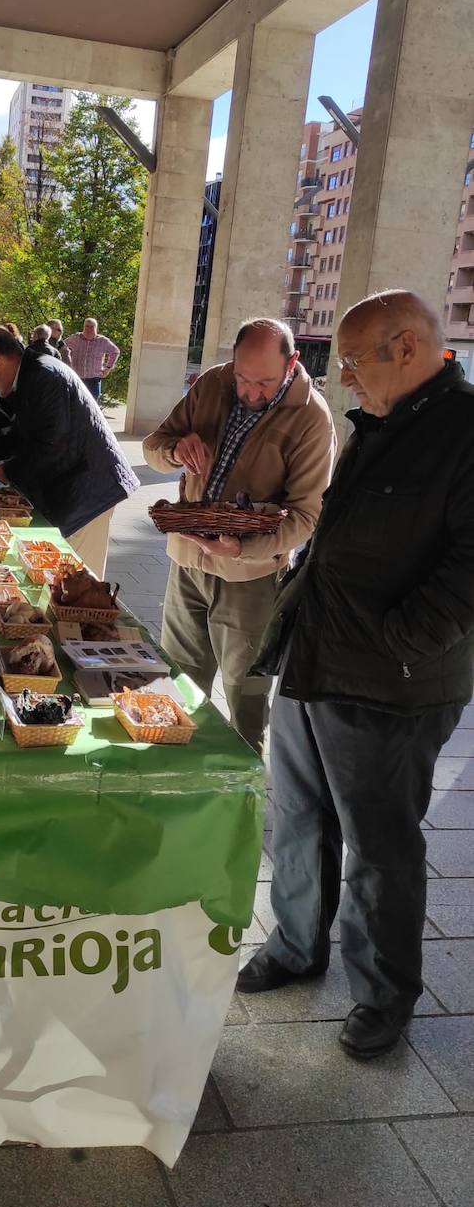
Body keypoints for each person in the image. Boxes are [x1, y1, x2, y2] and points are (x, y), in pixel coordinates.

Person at [237, 292, 474, 1060]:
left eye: (350, 361)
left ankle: (381, 992)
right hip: (315, 659)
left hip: (389, 683)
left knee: (378, 845)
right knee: (297, 817)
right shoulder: (383, 423)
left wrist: (401, 640)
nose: (342, 378)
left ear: (405, 348)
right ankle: (296, 945)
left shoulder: (462, 428)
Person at [143, 319, 335, 752]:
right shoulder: (213, 382)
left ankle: (240, 793)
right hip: (188, 561)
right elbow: (154, 446)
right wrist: (175, 449)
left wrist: (243, 547)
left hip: (250, 578)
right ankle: (177, 774)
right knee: (178, 678)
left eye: (264, 382)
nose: (249, 392)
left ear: (292, 363)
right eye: (242, 378)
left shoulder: (312, 419)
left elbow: (306, 517)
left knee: (244, 695)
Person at [0, 326, 139, 577]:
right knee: (60, 578)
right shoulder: (28, 373)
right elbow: (17, 434)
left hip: (90, 492)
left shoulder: (43, 376)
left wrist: (7, 470)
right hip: (74, 484)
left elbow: (51, 443)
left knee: (78, 581)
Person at [64, 318, 119, 398]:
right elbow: (61, 346)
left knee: (92, 406)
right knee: (74, 404)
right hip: (77, 379)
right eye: (86, 326)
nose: (88, 329)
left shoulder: (103, 341)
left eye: (91, 327)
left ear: (96, 328)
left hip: (94, 381)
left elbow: (115, 351)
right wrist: (66, 364)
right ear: (83, 327)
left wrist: (108, 368)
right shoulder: (75, 338)